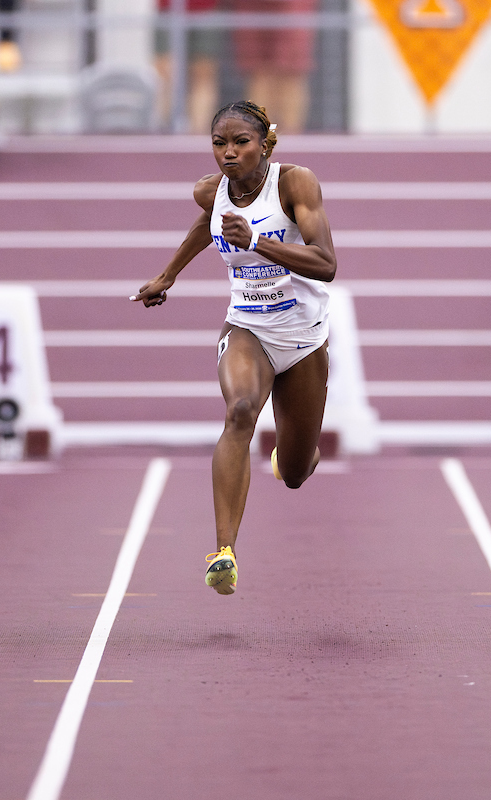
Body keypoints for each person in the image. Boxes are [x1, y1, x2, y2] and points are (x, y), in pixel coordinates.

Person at [132, 100, 336, 595]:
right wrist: (168, 275)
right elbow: (208, 225)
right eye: (219, 143)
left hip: (303, 336)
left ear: (265, 144)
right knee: (240, 411)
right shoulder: (211, 191)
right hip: (247, 326)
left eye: (241, 142)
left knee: (295, 473)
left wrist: (257, 241)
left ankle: (293, 454)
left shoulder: (295, 184)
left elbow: (326, 263)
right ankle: (224, 551)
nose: (228, 153)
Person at [232, 0, 315, 133]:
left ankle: (291, 136)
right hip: (252, 8)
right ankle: (264, 135)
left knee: (290, 71)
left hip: (292, 7)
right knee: (259, 72)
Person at [154, 0, 222, 132]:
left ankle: (198, 133)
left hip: (206, 9)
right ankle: (165, 131)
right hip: (168, 11)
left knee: (203, 75)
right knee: (167, 74)